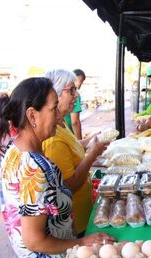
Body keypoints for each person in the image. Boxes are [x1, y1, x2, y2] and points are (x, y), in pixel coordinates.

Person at [0, 77, 115, 258]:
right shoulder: (32, 168)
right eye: (53, 108)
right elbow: (34, 239)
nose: (59, 115)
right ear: (32, 116)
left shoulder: (16, 149)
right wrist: (82, 242)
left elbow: (47, 198)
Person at [43, 69, 109, 237]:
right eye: (71, 90)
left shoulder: (61, 125)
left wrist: (91, 140)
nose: (76, 95)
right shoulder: (52, 138)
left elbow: (72, 147)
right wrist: (92, 154)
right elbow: (69, 184)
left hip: (84, 211)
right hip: (75, 221)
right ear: (54, 94)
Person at [63, 69, 85, 140]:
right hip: (70, 136)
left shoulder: (62, 94)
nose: (81, 84)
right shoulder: (76, 96)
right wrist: (79, 142)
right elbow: (75, 122)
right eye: (80, 81)